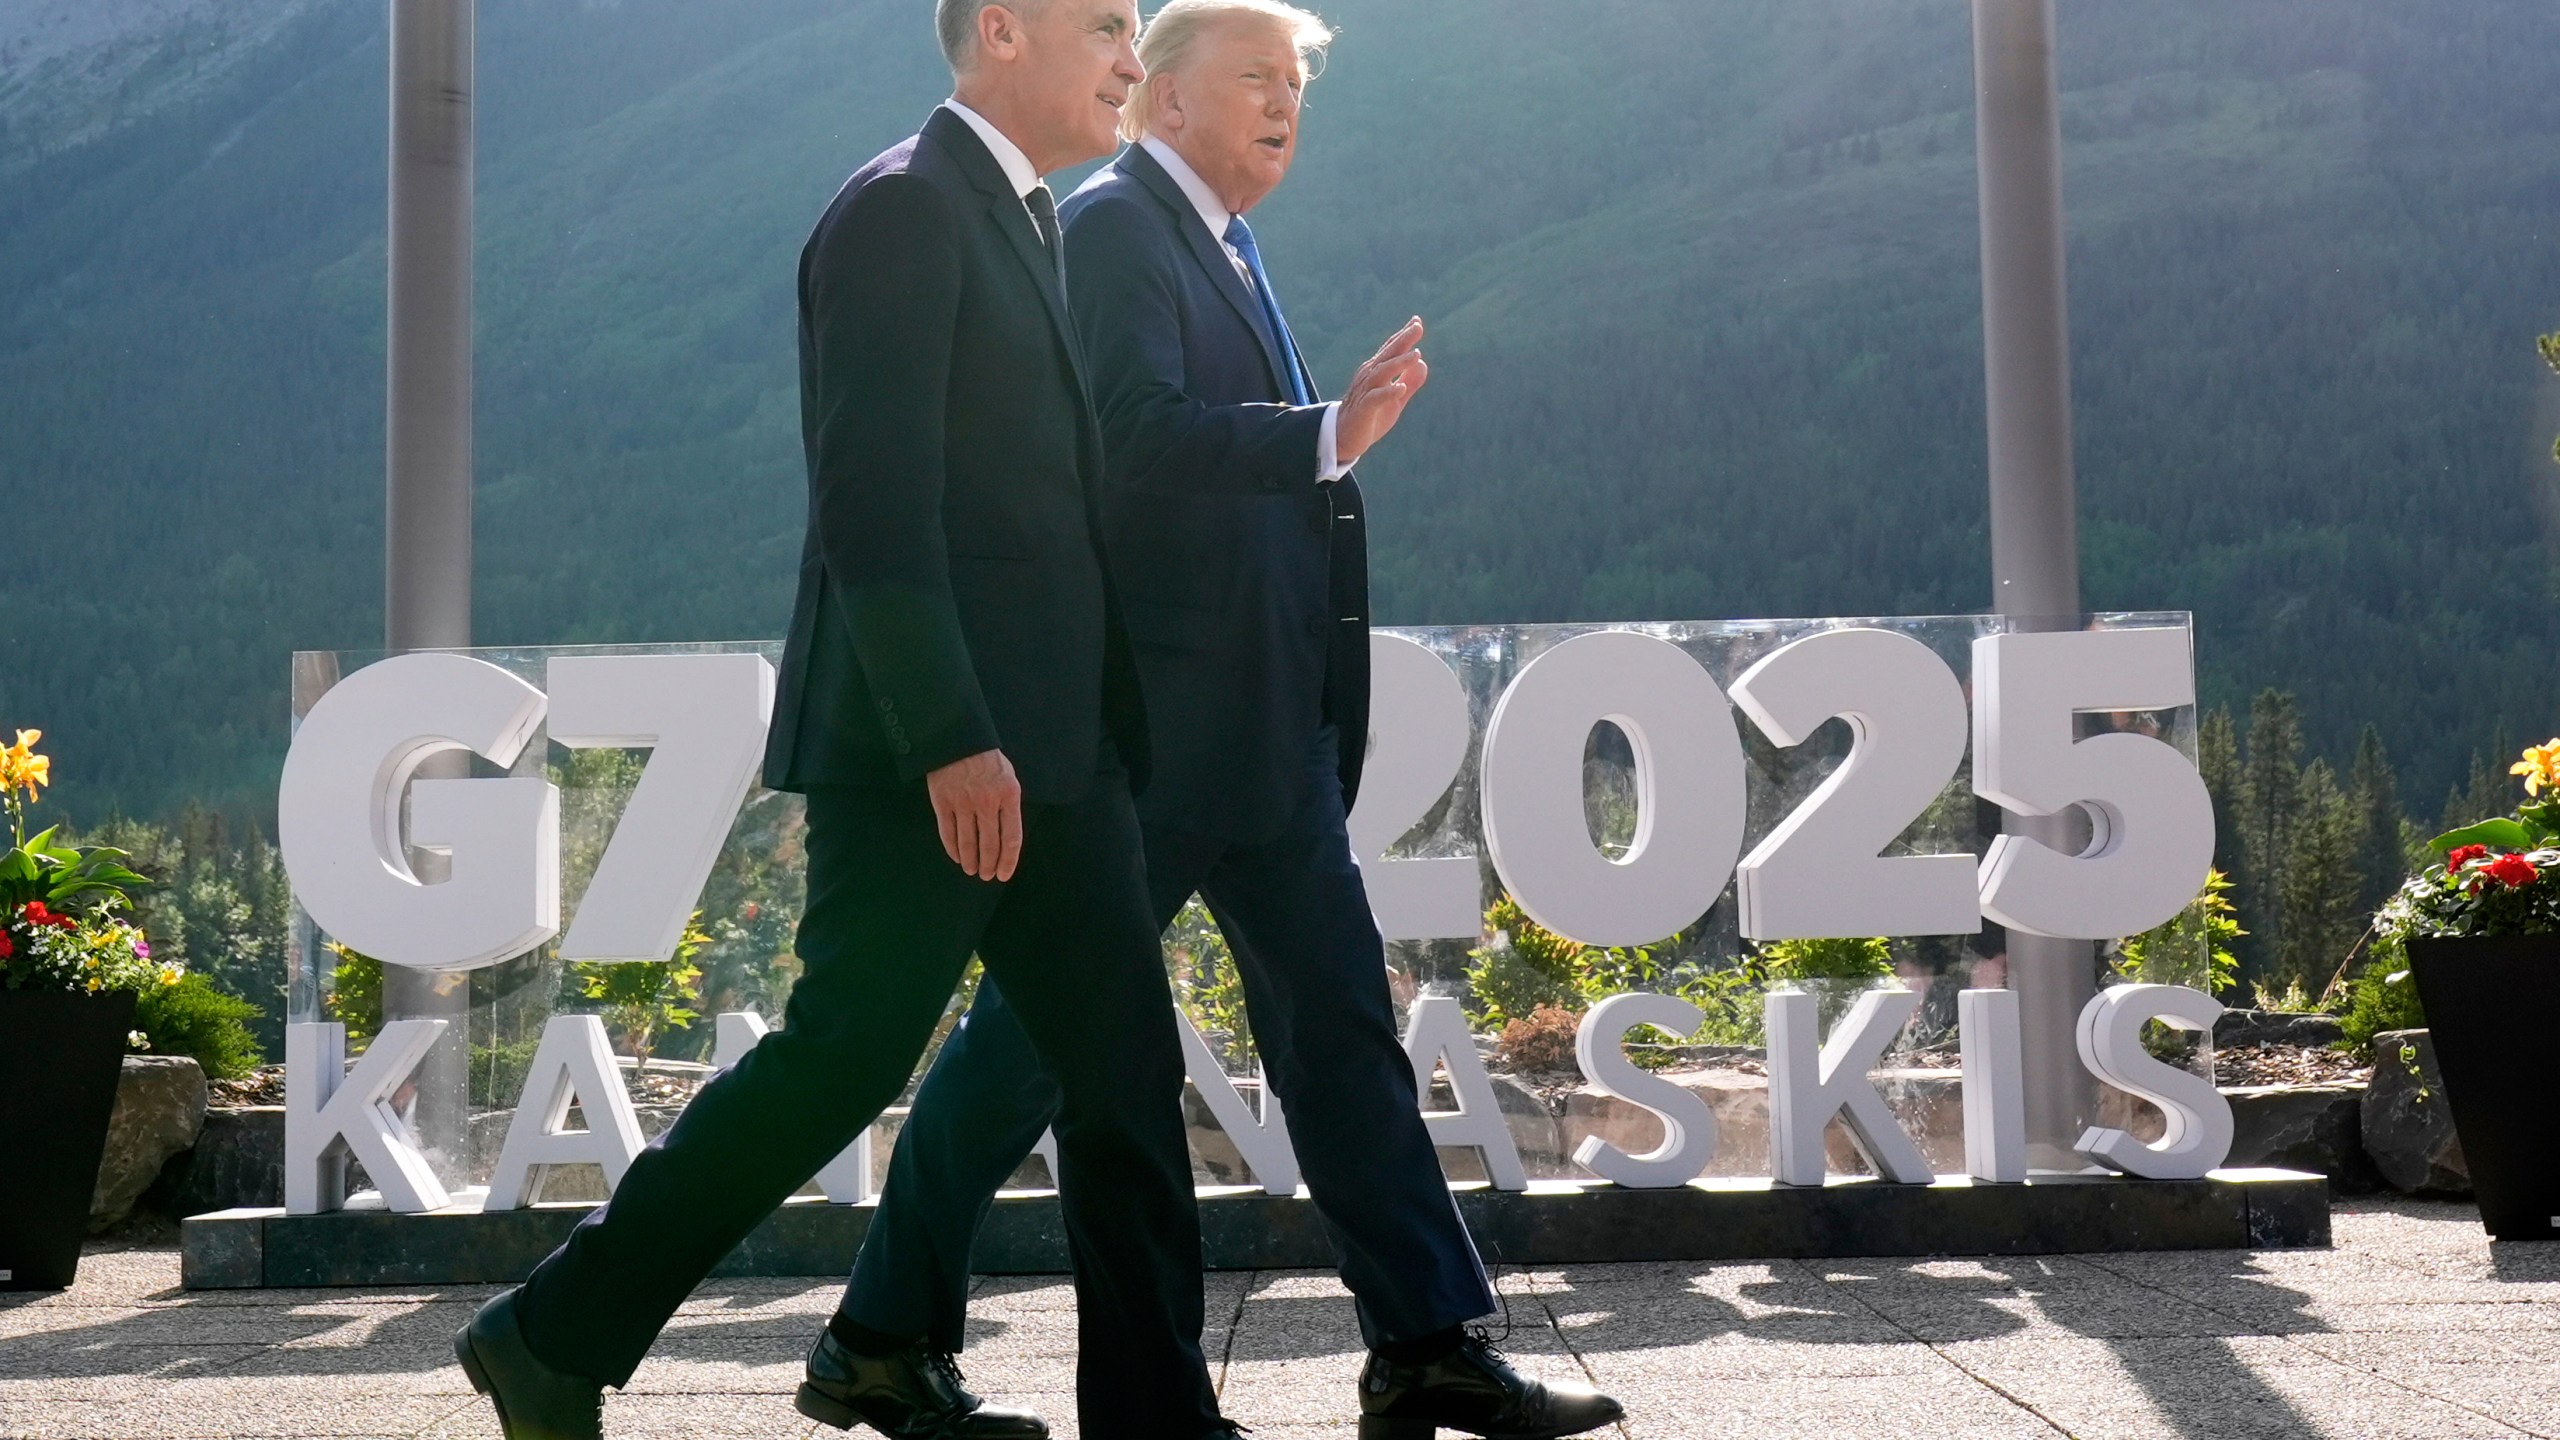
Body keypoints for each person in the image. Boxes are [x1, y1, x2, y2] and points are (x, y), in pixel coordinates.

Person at [448, 3, 1245, 1437]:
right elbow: (873, 507)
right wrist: (951, 736)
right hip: (932, 756)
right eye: (1107, 26)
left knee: (1126, 1079)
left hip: (1059, 760)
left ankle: (1155, 1417)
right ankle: (551, 1332)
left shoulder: (1020, 214)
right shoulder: (901, 211)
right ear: (1001, 30)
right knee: (841, 1059)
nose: (1134, 59)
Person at [832, 4, 1625, 1437]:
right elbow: (1128, 437)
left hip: (1263, 735)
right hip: (1152, 738)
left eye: (1297, 83)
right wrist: (1327, 435)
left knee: (1341, 1032)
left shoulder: (1218, 238)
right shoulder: (1116, 226)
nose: (1283, 104)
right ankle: (881, 1332)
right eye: (1253, 77)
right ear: (1169, 98)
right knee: (1027, 1048)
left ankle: (1426, 1345)